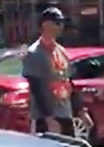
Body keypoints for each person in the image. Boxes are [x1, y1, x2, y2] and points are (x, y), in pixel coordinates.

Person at [22, 7, 92, 137]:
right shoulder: (34, 53)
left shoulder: (61, 51)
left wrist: (82, 111)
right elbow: (36, 88)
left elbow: (69, 82)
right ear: (45, 24)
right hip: (45, 118)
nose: (61, 26)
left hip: (65, 113)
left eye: (62, 22)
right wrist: (49, 118)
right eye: (57, 23)